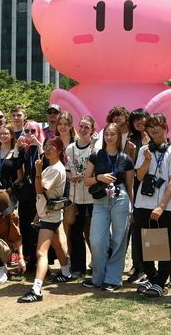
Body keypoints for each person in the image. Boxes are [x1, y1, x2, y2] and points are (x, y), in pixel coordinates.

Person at [133, 113, 171, 298]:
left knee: (162, 244)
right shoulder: (144, 150)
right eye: (151, 126)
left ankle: (161, 281)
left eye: (158, 126)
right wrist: (146, 160)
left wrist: (161, 206)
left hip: (164, 206)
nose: (154, 129)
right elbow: (139, 177)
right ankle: (152, 278)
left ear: (165, 128)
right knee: (141, 243)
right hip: (142, 203)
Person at [17, 137, 71, 303]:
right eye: (46, 146)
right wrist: (37, 214)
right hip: (47, 213)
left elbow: (40, 189)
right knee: (57, 244)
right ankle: (66, 272)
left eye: (52, 147)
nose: (47, 149)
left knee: (41, 252)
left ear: (60, 150)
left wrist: (38, 171)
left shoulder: (55, 169)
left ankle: (37, 289)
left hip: (49, 215)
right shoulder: (52, 167)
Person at [82, 123, 135, 291]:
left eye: (113, 134)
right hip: (100, 201)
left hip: (120, 198)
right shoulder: (96, 155)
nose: (109, 137)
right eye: (107, 134)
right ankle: (98, 277)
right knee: (97, 240)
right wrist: (100, 177)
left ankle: (113, 279)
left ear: (119, 136)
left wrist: (132, 208)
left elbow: (130, 185)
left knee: (119, 239)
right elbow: (86, 180)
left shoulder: (126, 158)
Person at [65, 116, 99, 278]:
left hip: (93, 196)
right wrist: (71, 176)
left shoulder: (96, 147)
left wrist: (93, 146)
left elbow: (97, 165)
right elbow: (68, 167)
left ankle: (99, 264)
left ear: (92, 129)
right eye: (81, 126)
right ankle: (79, 267)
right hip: (76, 196)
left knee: (95, 232)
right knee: (76, 232)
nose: (83, 130)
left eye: (87, 127)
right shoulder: (71, 148)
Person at [15, 121, 44, 273]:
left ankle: (37, 259)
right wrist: (17, 148)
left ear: (39, 131)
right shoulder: (24, 149)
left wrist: (38, 144)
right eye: (27, 131)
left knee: (37, 225)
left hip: (39, 190)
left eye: (33, 130)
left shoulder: (41, 146)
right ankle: (26, 257)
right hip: (26, 192)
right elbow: (16, 164)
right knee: (25, 224)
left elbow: (46, 160)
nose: (30, 134)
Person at [125, 108, 149, 284]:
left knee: (159, 229)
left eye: (142, 119)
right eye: (136, 120)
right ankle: (139, 267)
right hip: (136, 189)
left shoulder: (158, 137)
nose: (140, 122)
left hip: (155, 190)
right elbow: (128, 166)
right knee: (137, 229)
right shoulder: (130, 141)